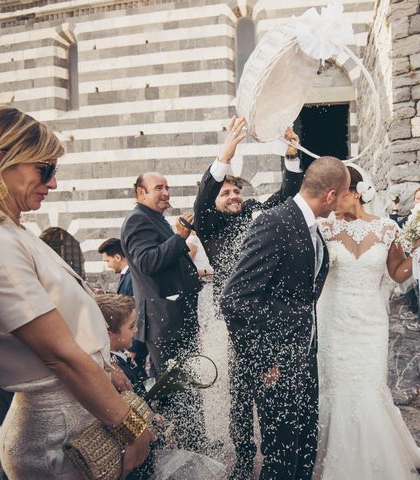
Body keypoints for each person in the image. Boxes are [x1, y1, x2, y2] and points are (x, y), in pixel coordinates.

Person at [0, 106, 154, 479]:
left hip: (75, 419)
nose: (52, 183)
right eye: (44, 169)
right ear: (1, 160)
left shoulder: (13, 233)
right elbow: (59, 355)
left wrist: (106, 366)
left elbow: (69, 327)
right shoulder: (0, 244)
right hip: (55, 440)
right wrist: (129, 425)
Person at [221, 156, 350, 480]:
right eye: (344, 194)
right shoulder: (274, 222)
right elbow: (235, 300)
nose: (342, 203)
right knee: (281, 461)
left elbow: (301, 297)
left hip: (304, 361)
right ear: (331, 195)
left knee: (304, 451)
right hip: (275, 368)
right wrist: (265, 361)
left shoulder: (313, 230)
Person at [194, 117, 304, 478]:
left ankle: (275, 454)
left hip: (270, 319)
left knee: (272, 388)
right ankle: (243, 458)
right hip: (237, 325)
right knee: (240, 396)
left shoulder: (257, 213)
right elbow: (203, 199)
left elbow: (287, 197)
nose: (235, 196)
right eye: (227, 193)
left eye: (237, 191)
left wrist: (290, 156)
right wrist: (226, 154)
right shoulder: (211, 224)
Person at [313, 165, 420, 479]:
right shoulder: (324, 228)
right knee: (338, 390)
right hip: (334, 320)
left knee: (369, 387)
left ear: (359, 192)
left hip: (371, 324)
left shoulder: (388, 228)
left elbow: (396, 273)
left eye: (340, 191)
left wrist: (419, 252)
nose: (333, 197)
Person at [120, 171, 207, 453]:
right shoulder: (137, 221)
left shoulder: (152, 219)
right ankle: (180, 451)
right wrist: (180, 236)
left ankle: (192, 444)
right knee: (176, 394)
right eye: (159, 188)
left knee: (187, 390)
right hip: (165, 324)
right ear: (140, 193)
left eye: (168, 187)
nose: (166, 192)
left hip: (175, 321)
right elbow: (147, 262)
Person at [98, 237, 149, 381]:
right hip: (128, 337)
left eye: (107, 261)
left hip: (134, 340)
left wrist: (135, 347)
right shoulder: (127, 276)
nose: (108, 265)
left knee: (136, 378)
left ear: (118, 257)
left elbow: (139, 312)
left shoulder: (132, 277)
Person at [390, 186, 420, 332]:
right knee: (411, 286)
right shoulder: (411, 216)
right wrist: (395, 209)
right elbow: (395, 227)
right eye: (418, 199)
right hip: (412, 256)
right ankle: (414, 310)